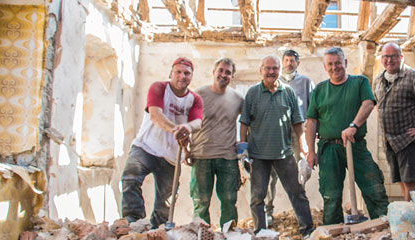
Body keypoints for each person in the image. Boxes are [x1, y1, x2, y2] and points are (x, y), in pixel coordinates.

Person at [305, 47, 389, 225]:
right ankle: (332, 232)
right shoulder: (320, 90)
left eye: (338, 63)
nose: (334, 67)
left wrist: (353, 126)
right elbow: (311, 121)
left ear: (345, 63)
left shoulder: (359, 82)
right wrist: (311, 151)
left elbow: (368, 103)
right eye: (330, 64)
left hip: (355, 144)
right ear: (325, 66)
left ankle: (383, 227)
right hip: (328, 149)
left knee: (374, 188)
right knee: (331, 195)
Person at [121, 57, 203, 228]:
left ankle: (157, 230)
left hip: (171, 156)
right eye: (178, 72)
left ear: (191, 76)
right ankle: (135, 221)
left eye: (187, 73)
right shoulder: (159, 88)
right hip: (146, 147)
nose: (182, 76)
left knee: (167, 200)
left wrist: (186, 128)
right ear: (171, 73)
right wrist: (175, 129)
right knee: (130, 177)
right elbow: (155, 115)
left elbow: (198, 122)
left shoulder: (194, 99)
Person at [239, 55, 314, 236]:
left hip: (284, 153)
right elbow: (244, 123)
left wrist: (304, 149)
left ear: (280, 71)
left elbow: (298, 123)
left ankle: (307, 231)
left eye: (275, 68)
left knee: (297, 192)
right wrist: (243, 149)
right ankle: (261, 233)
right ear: (261, 70)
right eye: (268, 68)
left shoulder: (288, 92)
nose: (271, 72)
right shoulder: (252, 93)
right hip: (258, 155)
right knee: (258, 197)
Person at [374, 42, 415, 201]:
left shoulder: (413, 77)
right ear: (381, 59)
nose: (389, 60)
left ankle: (413, 219)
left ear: (401, 57)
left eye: (393, 56)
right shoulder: (379, 80)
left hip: (410, 140)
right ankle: (409, 213)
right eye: (386, 56)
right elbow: (377, 103)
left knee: (410, 183)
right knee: (401, 181)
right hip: (390, 140)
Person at [189, 58, 244, 227]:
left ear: (232, 76)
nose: (223, 74)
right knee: (201, 201)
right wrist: (185, 149)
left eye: (228, 72)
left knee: (229, 200)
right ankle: (201, 235)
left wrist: (243, 144)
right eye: (220, 70)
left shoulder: (238, 98)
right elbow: (185, 122)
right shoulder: (197, 95)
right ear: (213, 72)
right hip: (201, 156)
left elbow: (248, 122)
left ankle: (229, 234)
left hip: (227, 158)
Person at [264, 49, 315, 224]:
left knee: (299, 172)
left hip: (298, 133)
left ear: (298, 63)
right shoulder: (273, 82)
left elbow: (314, 110)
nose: (289, 63)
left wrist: (310, 139)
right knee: (270, 173)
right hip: (276, 134)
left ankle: (300, 214)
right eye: (286, 60)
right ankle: (267, 211)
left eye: (292, 60)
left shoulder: (306, 82)